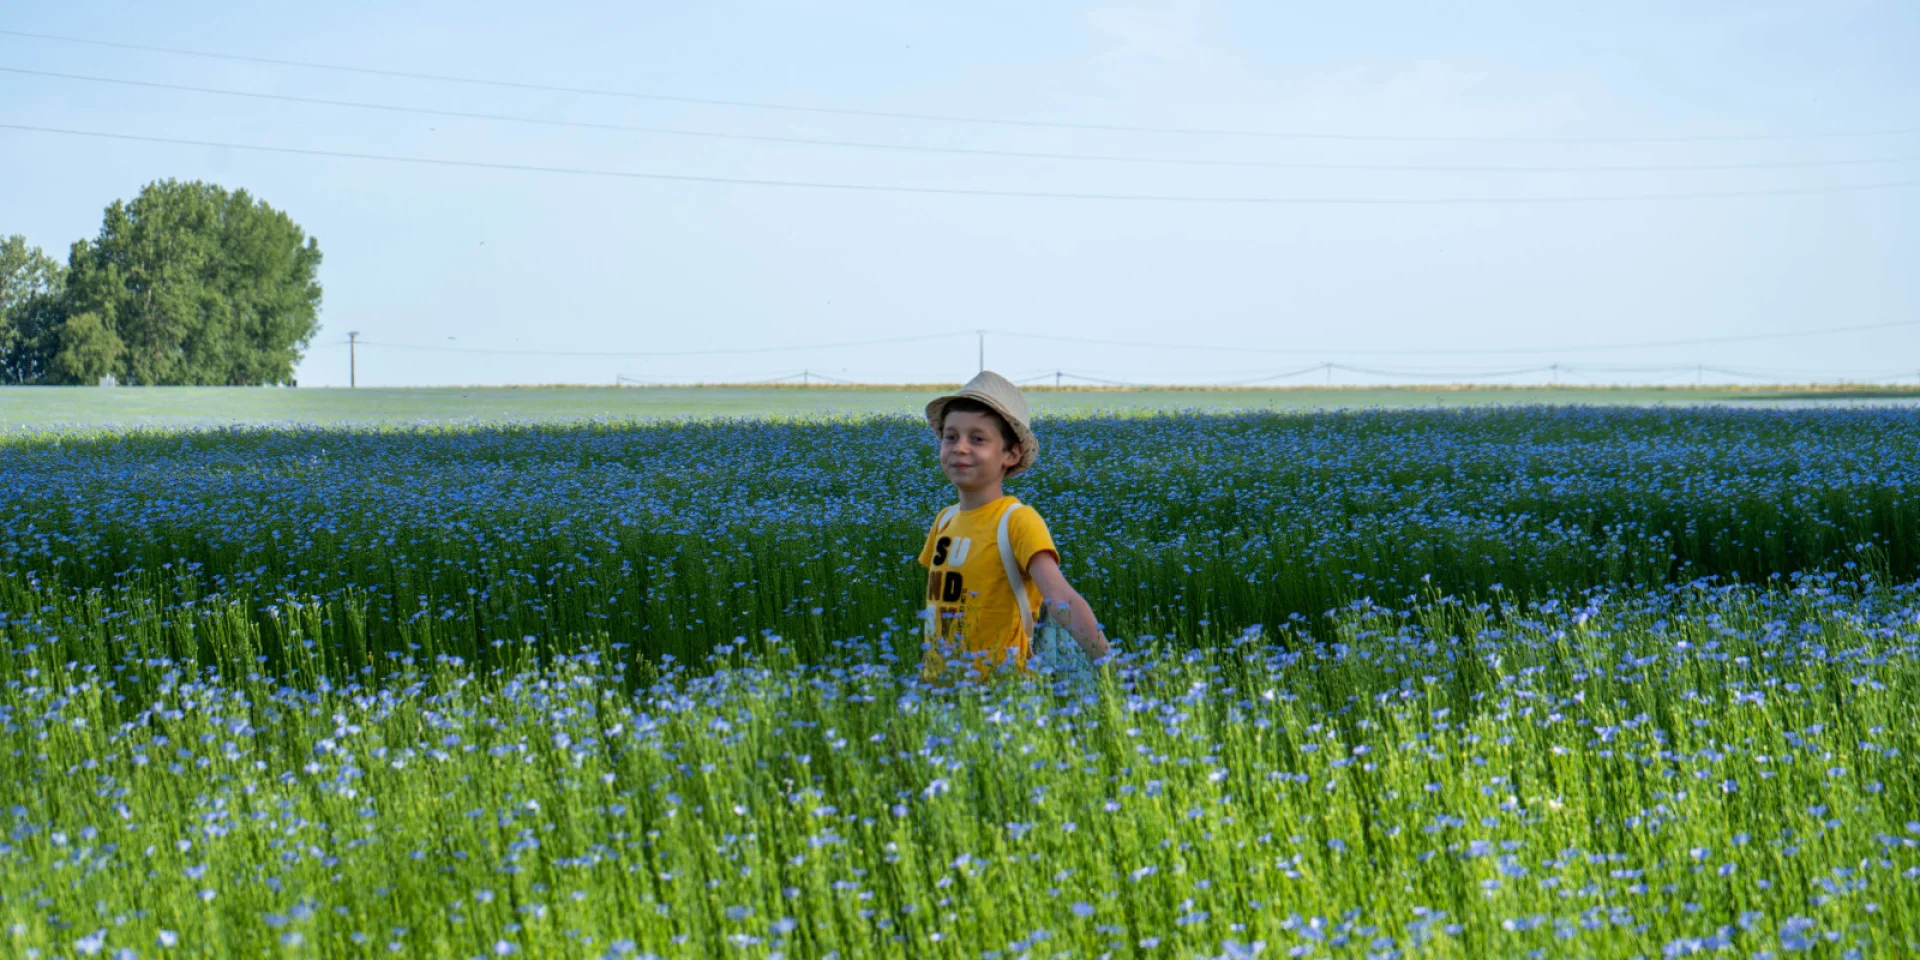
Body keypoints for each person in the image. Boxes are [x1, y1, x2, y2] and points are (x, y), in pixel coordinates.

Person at [917, 371, 1109, 682]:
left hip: (1003, 691)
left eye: (977, 439)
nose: (960, 447)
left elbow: (1060, 597)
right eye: (950, 437)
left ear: (1011, 454)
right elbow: (937, 610)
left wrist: (1110, 663)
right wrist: (924, 676)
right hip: (943, 686)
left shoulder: (1017, 520)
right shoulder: (945, 521)